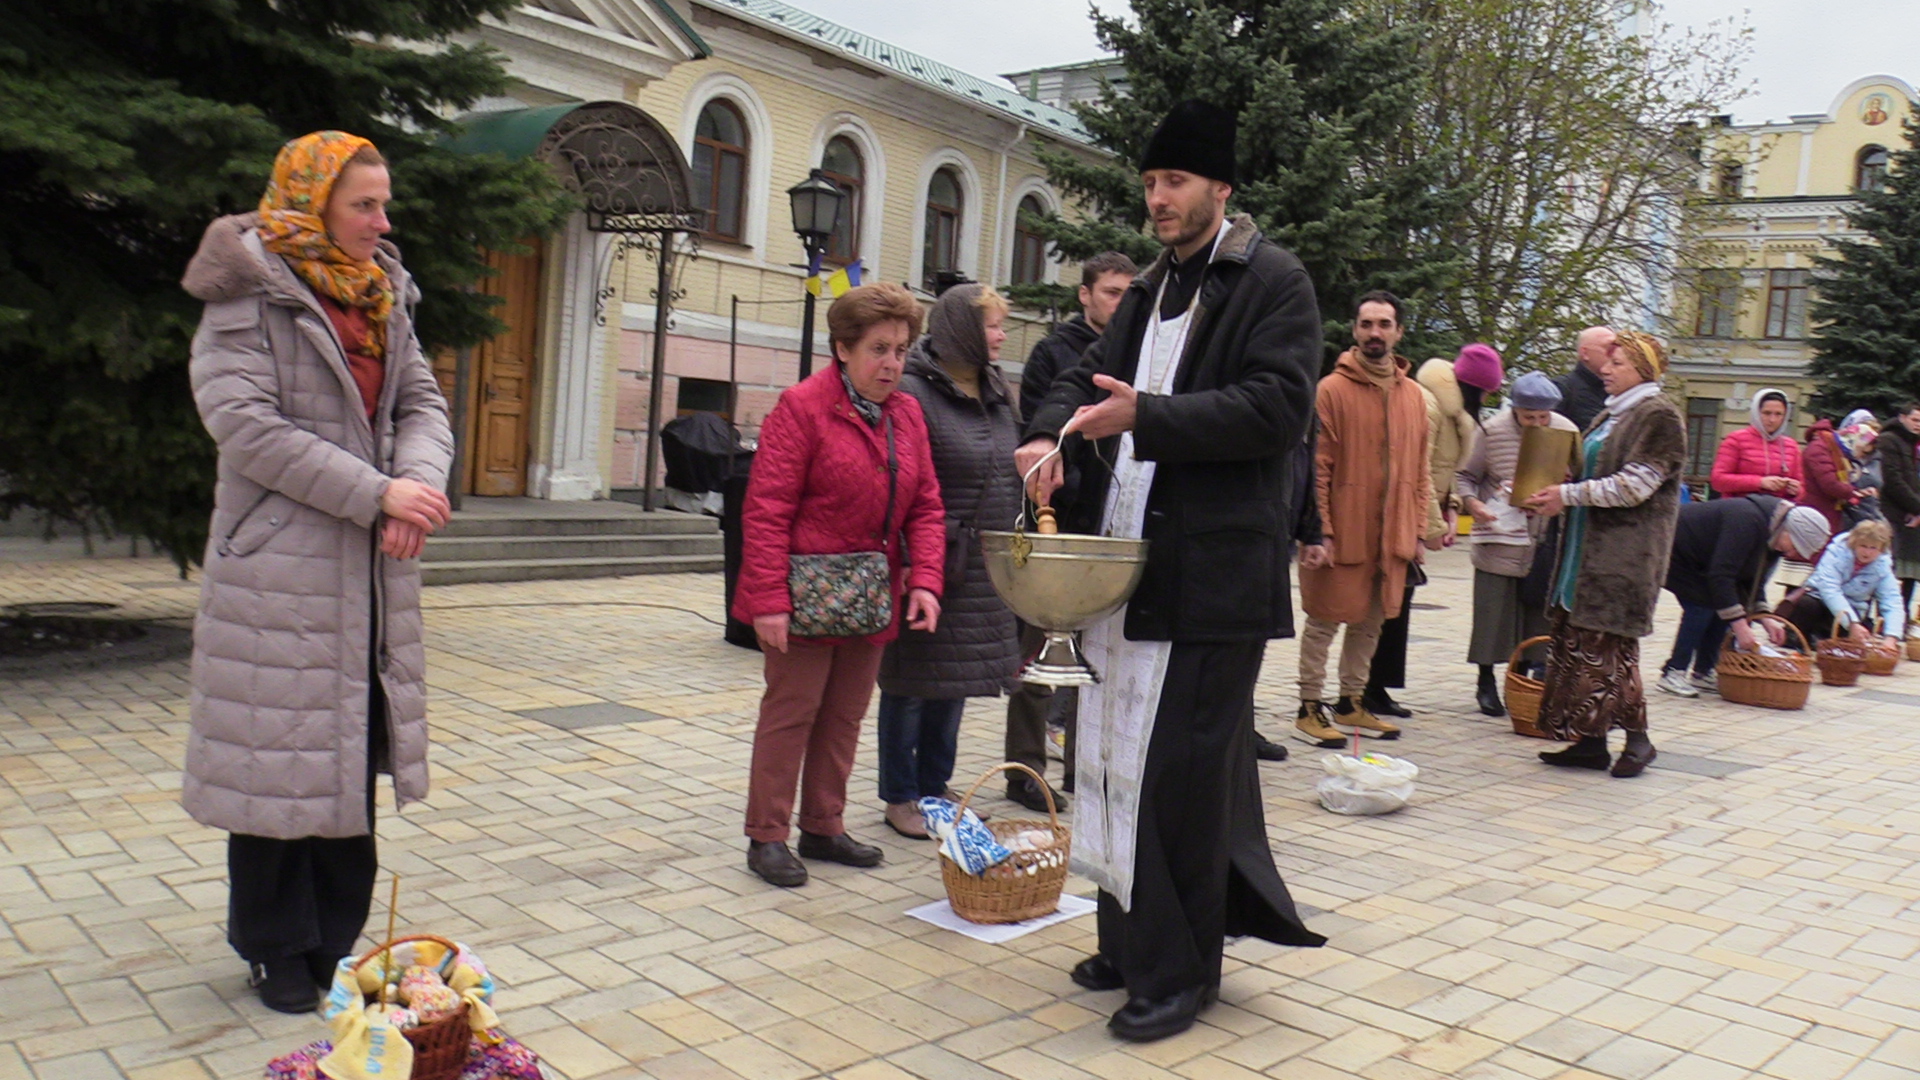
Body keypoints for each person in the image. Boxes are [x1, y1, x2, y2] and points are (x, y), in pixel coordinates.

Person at [1016, 98, 1325, 1043]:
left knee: (1180, 781)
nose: (1158, 198)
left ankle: (1180, 974)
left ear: (1220, 189)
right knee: (1110, 761)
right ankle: (1129, 939)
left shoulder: (1274, 281)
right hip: (1132, 570)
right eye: (1150, 182)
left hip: (1216, 583)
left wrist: (1146, 416)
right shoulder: (1150, 288)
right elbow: (1088, 377)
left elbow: (1276, 409)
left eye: (1175, 182)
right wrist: (1045, 430)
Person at [180, 132, 454, 1012]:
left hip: (370, 567)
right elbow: (246, 425)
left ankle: (333, 940)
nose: (383, 220)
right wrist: (379, 494)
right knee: (276, 763)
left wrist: (416, 485)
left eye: (383, 203)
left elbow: (421, 402)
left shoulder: (385, 294)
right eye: (364, 205)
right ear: (312, 205)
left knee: (351, 749)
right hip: (278, 569)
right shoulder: (248, 291)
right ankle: (271, 945)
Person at [735, 283, 947, 888]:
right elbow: (767, 510)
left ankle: (824, 825)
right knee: (791, 713)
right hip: (804, 596)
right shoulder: (801, 408)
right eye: (879, 349)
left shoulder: (906, 413)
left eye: (902, 350)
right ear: (843, 349)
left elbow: (926, 506)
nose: (893, 364)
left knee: (846, 716)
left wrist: (925, 581)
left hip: (871, 595)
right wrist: (769, 602)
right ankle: (767, 835)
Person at [876, 284, 1024, 836]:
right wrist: (917, 559)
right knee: (912, 679)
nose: (1001, 335)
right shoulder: (913, 389)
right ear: (961, 327)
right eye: (992, 325)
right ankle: (899, 796)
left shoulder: (992, 385)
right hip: (932, 556)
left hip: (981, 560)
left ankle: (934, 786)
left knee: (955, 678)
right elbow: (905, 478)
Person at [1522, 331, 1686, 779]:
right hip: (1586, 552)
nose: (1605, 370)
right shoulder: (1613, 415)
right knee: (1581, 648)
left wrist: (1568, 494)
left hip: (1623, 559)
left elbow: (1634, 485)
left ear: (1642, 370)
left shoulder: (1659, 416)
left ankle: (1639, 741)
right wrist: (1543, 485)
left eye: (1617, 364)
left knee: (1611, 652)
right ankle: (1591, 741)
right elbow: (1589, 472)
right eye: (1606, 362)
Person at [1005, 252, 1136, 807]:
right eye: (1110, 292)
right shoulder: (1052, 353)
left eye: (1128, 294)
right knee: (1038, 654)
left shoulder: (1137, 350)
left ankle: (1083, 768)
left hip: (1113, 521)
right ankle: (1024, 771)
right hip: (1056, 516)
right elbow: (1044, 430)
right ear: (1085, 295)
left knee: (1097, 658)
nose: (1120, 303)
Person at [1294, 291, 1438, 746]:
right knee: (1323, 620)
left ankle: (1352, 702)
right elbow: (1317, 467)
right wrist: (1320, 531)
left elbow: (1420, 470)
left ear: (1398, 331)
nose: (1375, 333)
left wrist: (1418, 530)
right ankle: (1308, 706)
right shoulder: (1330, 391)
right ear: (1354, 330)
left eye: (1384, 324)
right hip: (1342, 531)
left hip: (1391, 534)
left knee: (1372, 621)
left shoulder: (1414, 396)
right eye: (1367, 324)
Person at [1362, 343, 1503, 718]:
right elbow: (1417, 467)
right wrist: (1426, 529)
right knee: (1388, 602)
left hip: (1416, 513)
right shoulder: (1430, 404)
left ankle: (1377, 687)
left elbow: (1448, 471)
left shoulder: (1455, 412)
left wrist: (1453, 507)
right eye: (1487, 390)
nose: (1489, 398)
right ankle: (1365, 687)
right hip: (1399, 513)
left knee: (1399, 602)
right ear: (1474, 387)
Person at [1456, 372, 1580, 716]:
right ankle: (1485, 681)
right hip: (1500, 537)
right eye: (1529, 417)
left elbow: (1579, 478)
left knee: (1536, 617)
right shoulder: (1492, 430)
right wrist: (1473, 504)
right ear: (1516, 410)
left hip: (1543, 539)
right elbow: (1466, 476)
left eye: (1543, 417)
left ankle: (1521, 680)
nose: (1537, 424)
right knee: (1492, 613)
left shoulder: (1566, 430)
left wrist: (1567, 484)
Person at [1655, 495, 1831, 698]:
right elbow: (1722, 576)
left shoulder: (1773, 535)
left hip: (1705, 562)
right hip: (1674, 550)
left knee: (1724, 607)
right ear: (1788, 529)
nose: (1792, 553)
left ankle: (1703, 671)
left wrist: (1766, 618)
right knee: (1702, 606)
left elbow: (1751, 580)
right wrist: (1740, 626)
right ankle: (1674, 671)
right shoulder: (1747, 521)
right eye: (1795, 545)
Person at [1787, 520, 1905, 645]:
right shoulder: (1836, 553)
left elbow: (1892, 601)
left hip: (1853, 610)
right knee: (1806, 604)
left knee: (1862, 632)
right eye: (1863, 546)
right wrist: (1851, 623)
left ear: (1881, 549)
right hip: (1821, 601)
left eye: (1873, 548)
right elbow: (1829, 589)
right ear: (1854, 543)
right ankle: (1799, 639)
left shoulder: (1883, 567)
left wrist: (1891, 637)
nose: (1867, 552)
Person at [1710, 388, 1803, 500]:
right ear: (1756, 412)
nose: (1772, 419)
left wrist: (1796, 490)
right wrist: (1759, 482)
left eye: (1778, 414)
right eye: (1767, 413)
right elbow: (1718, 480)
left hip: (1777, 511)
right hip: (1740, 509)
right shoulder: (1736, 440)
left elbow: (1803, 487)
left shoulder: (1791, 446)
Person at [1875, 403, 1920, 625]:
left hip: (1911, 515)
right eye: (1915, 420)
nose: (1918, 425)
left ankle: (1900, 619)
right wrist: (1917, 506)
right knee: (1888, 569)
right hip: (1892, 514)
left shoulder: (1910, 443)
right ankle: (1885, 619)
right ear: (1902, 417)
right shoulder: (1889, 440)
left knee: (1910, 570)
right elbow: (1893, 481)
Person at [1800, 413, 1863, 532]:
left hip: (1824, 509)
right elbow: (1830, 484)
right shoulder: (1819, 449)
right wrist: (1852, 492)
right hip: (1818, 510)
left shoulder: (1829, 447)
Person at [1555, 326, 1615, 430]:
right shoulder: (1561, 389)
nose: (1614, 354)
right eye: (1608, 348)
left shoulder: (1621, 390)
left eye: (1616, 348)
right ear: (1585, 353)